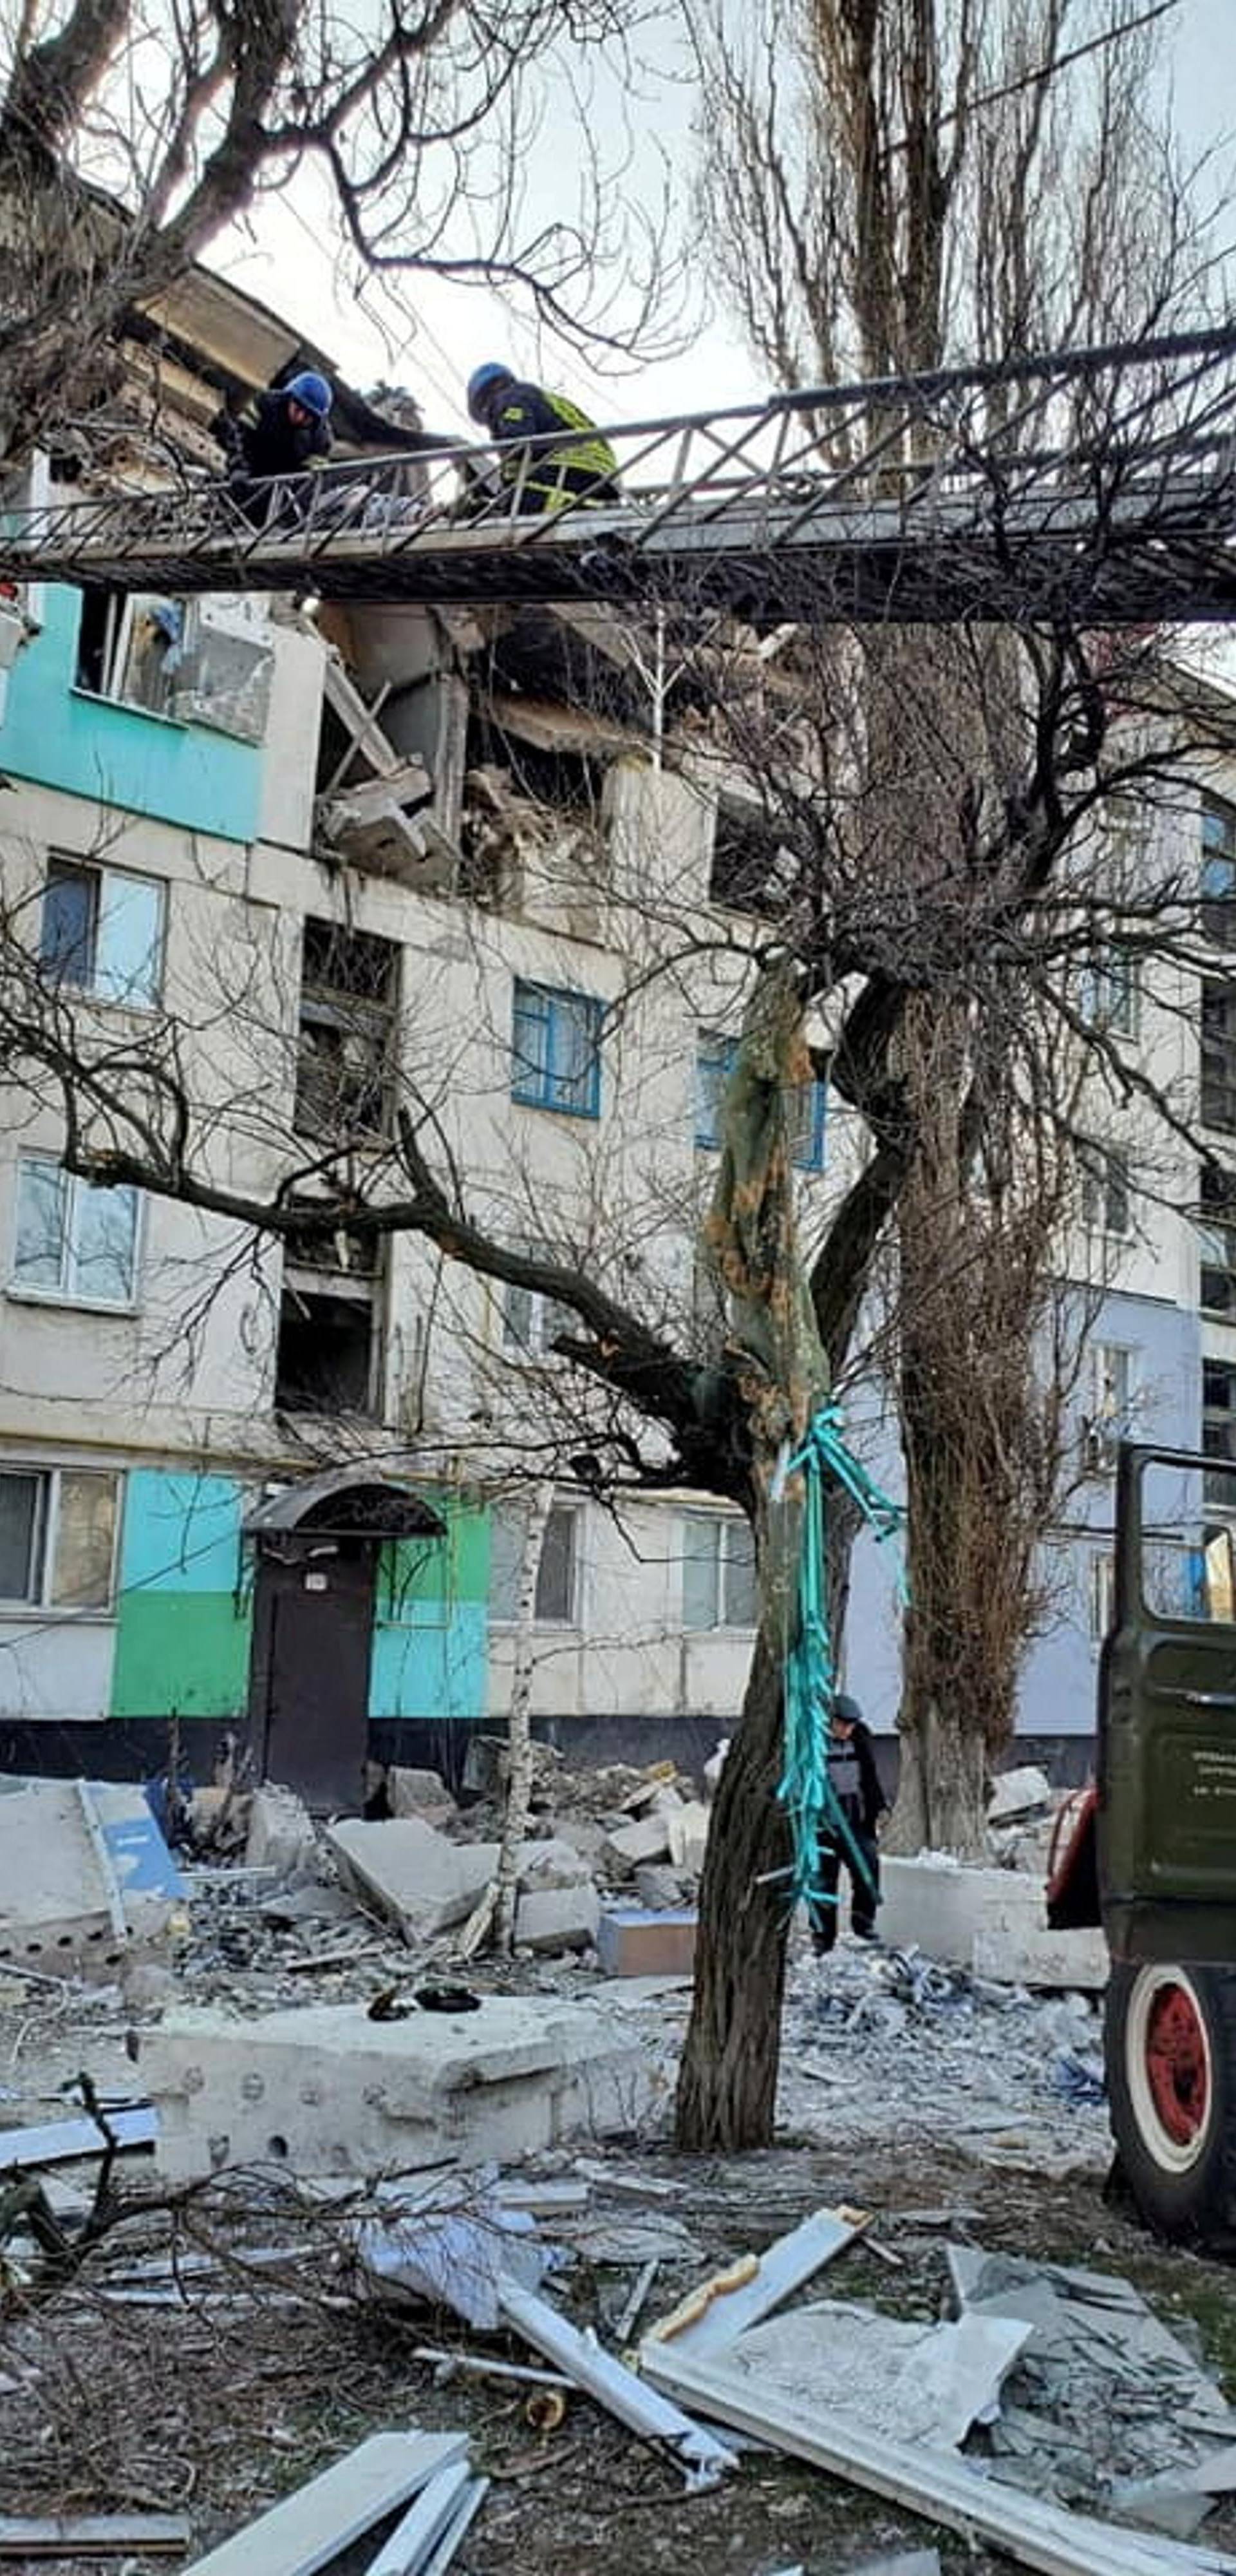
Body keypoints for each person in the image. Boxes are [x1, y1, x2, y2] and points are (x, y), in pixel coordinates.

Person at [464, 363, 620, 513]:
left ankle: (584, 511)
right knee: (523, 491)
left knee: (519, 500)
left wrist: (504, 488)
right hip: (603, 472)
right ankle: (586, 505)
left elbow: (517, 443)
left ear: (486, 395)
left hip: (575, 464)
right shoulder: (537, 396)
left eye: (484, 410)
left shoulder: (509, 397)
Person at [812, 1692, 887, 1956]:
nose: (847, 1730)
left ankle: (863, 1922)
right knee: (823, 1883)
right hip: (824, 1827)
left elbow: (871, 1779)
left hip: (856, 1822)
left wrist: (877, 1810)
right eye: (842, 1724)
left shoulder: (860, 1741)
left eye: (851, 1725)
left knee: (868, 1868)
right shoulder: (815, 1744)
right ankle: (823, 1937)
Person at [209, 372, 334, 524]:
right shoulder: (264, 403)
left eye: (308, 416)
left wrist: (293, 508)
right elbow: (238, 437)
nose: (300, 417)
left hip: (281, 491)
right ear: (290, 398)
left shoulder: (321, 440)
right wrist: (237, 466)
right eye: (298, 409)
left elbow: (310, 481)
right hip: (249, 473)